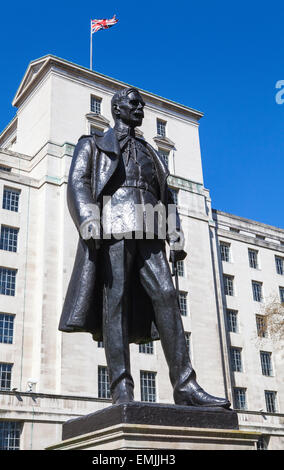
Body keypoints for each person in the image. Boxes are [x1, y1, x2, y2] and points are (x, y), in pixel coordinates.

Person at [59, 87, 230, 409]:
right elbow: (78, 182)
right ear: (116, 108)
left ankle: (186, 386)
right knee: (116, 302)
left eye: (142, 105)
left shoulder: (150, 151)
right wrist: (88, 219)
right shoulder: (93, 144)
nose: (140, 109)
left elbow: (166, 195)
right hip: (113, 225)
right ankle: (121, 388)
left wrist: (175, 232)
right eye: (133, 104)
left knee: (167, 296)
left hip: (151, 229)